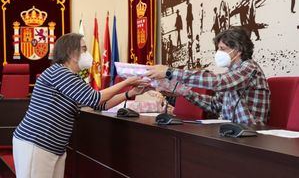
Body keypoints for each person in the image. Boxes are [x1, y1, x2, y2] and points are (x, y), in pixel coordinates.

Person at [13, 33, 149, 178]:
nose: (87, 54)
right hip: (37, 142)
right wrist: (126, 82)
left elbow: (100, 105)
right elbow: (95, 98)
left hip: (54, 146)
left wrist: (130, 93)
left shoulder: (72, 76)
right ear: (71, 53)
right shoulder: (59, 72)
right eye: (84, 49)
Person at [146, 27, 270, 125]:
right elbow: (214, 106)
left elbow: (218, 82)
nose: (218, 53)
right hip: (234, 133)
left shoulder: (249, 68)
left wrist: (170, 72)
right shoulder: (231, 73)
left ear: (238, 50)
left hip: (251, 134)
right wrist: (185, 92)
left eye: (222, 48)